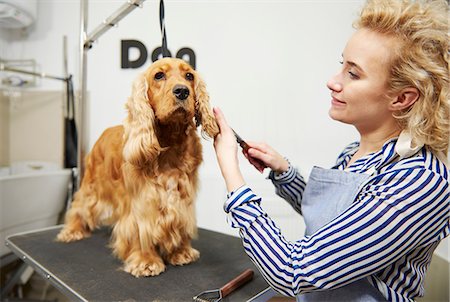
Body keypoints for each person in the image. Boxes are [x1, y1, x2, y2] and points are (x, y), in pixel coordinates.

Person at [212, 0, 449, 301]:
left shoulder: (420, 182)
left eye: (353, 74)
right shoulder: (357, 150)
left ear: (402, 97)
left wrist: (232, 176)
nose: (332, 82)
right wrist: (283, 172)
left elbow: (293, 272)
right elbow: (338, 222)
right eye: (342, 65)